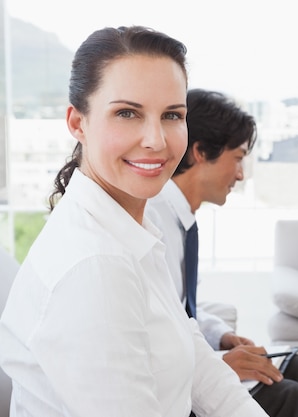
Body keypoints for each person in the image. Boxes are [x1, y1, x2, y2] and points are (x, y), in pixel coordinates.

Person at [0, 26, 267, 417]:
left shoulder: (131, 232)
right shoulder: (94, 266)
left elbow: (199, 366)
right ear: (78, 123)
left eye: (172, 115)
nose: (156, 140)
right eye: (127, 113)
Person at [147, 88, 298, 417]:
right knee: (287, 395)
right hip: (170, 388)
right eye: (239, 157)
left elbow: (179, 311)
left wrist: (222, 336)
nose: (241, 174)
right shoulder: (153, 223)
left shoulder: (181, 220)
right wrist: (219, 365)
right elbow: (156, 341)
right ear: (201, 152)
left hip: (190, 360)